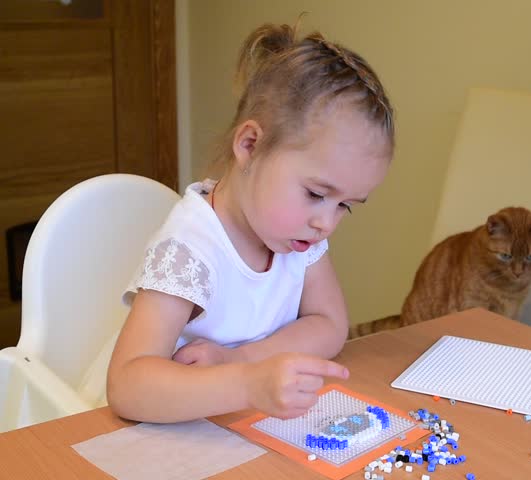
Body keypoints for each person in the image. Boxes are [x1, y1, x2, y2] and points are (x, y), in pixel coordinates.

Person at [107, 19, 395, 423]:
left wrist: (241, 359)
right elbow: (127, 387)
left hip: (238, 422)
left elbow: (330, 325)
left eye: (345, 205)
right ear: (250, 145)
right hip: (157, 429)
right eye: (316, 194)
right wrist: (245, 382)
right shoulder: (190, 248)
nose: (326, 223)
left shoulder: (297, 237)